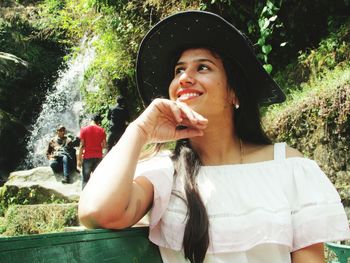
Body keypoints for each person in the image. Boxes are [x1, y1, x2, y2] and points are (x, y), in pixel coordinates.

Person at [78, 11, 350, 263]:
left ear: (234, 93)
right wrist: (139, 130)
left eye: (203, 67)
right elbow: (96, 212)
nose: (184, 78)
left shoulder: (288, 167)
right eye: (178, 70)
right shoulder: (164, 172)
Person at [78, 113, 106, 189]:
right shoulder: (102, 130)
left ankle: (84, 199)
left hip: (87, 158)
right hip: (98, 158)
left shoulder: (84, 130)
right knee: (98, 180)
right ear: (98, 121)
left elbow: (82, 146)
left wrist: (79, 159)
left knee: (85, 180)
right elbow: (104, 145)